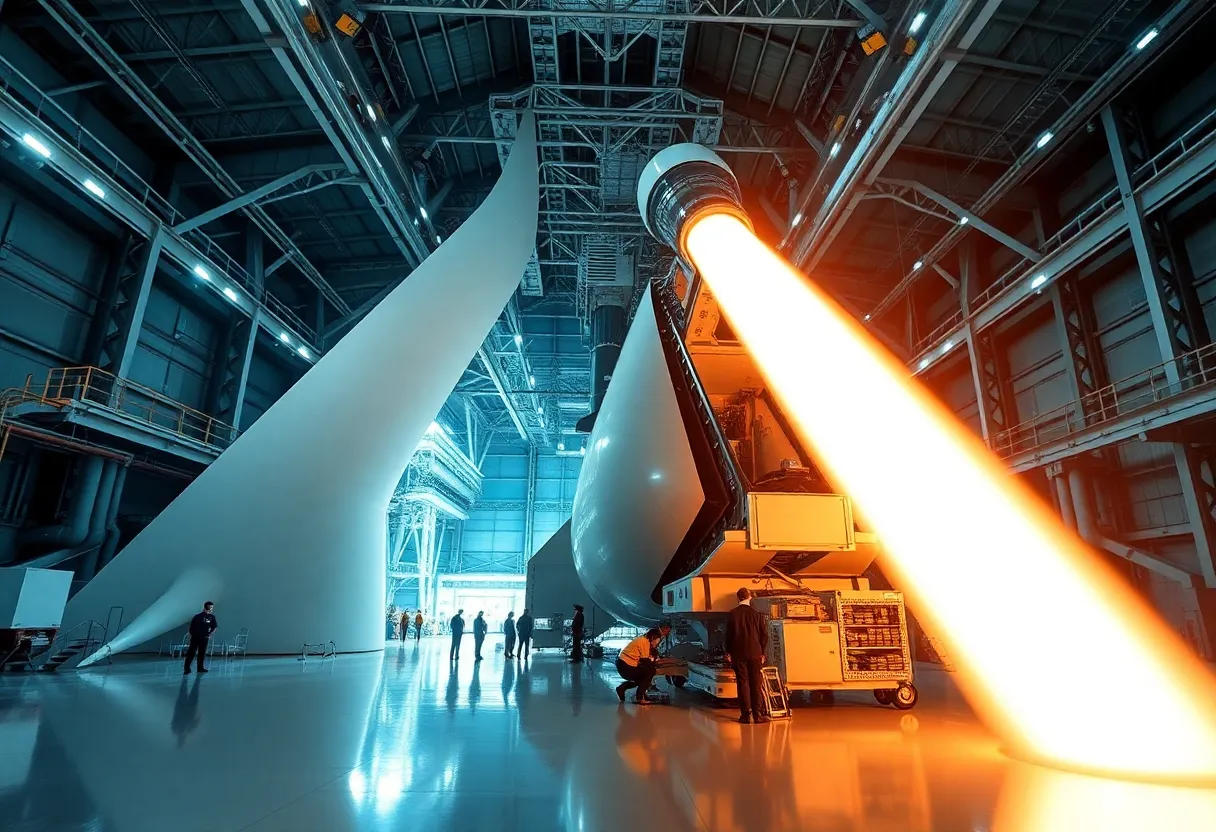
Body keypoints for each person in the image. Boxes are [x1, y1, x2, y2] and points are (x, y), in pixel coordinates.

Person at [725, 588, 769, 724]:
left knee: (742, 683)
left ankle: (745, 715)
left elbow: (728, 636)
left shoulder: (732, 614)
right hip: (755, 653)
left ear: (738, 598)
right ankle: (758, 715)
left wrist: (728, 652)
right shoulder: (757, 615)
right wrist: (762, 652)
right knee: (756, 684)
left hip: (738, 654)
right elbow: (764, 635)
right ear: (749, 597)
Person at [615, 629, 662, 705]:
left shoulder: (642, 639)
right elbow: (645, 661)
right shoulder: (644, 641)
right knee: (650, 672)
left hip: (623, 664)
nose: (657, 644)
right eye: (657, 641)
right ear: (653, 637)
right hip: (625, 666)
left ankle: (622, 688)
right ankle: (640, 698)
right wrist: (656, 666)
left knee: (643, 679)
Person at [183, 601, 217, 675]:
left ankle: (200, 668)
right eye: (211, 607)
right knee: (191, 652)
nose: (212, 609)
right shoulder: (197, 616)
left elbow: (214, 627)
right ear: (207, 607)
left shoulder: (211, 617)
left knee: (202, 653)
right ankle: (187, 668)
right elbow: (191, 627)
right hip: (195, 637)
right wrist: (192, 634)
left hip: (204, 638)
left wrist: (209, 634)